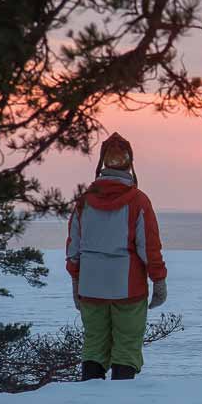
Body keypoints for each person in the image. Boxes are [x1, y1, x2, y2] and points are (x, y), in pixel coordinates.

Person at [65, 132, 167, 381]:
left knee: (94, 345)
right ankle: (121, 400)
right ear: (129, 163)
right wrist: (159, 280)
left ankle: (90, 397)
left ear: (102, 163)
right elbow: (149, 247)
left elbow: (73, 249)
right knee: (126, 347)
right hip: (128, 287)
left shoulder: (84, 202)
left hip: (91, 285)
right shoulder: (139, 201)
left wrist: (76, 282)